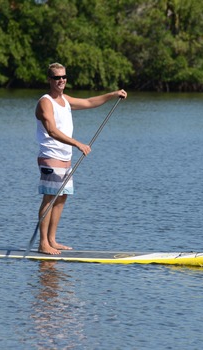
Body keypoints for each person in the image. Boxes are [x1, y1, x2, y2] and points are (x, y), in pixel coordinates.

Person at [35, 62, 127, 255]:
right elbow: (51, 130)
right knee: (50, 198)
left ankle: (52, 239)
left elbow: (89, 102)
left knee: (61, 198)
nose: (61, 81)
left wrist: (112, 95)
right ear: (49, 80)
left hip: (65, 158)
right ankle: (43, 243)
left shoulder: (65, 100)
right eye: (56, 78)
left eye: (64, 77)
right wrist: (77, 144)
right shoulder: (45, 102)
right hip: (50, 156)